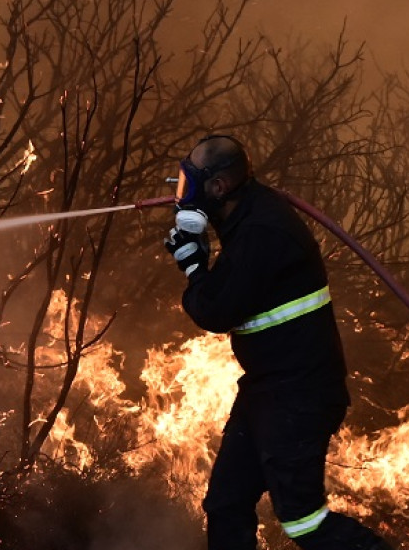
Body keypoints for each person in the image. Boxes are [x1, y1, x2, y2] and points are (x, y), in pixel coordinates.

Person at [164, 134, 392, 550]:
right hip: (268, 389)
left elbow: (215, 311)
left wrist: (195, 265)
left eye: (189, 185)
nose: (182, 196)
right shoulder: (247, 215)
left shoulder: (263, 232)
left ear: (219, 187)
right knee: (226, 505)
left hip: (299, 395)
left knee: (303, 523)